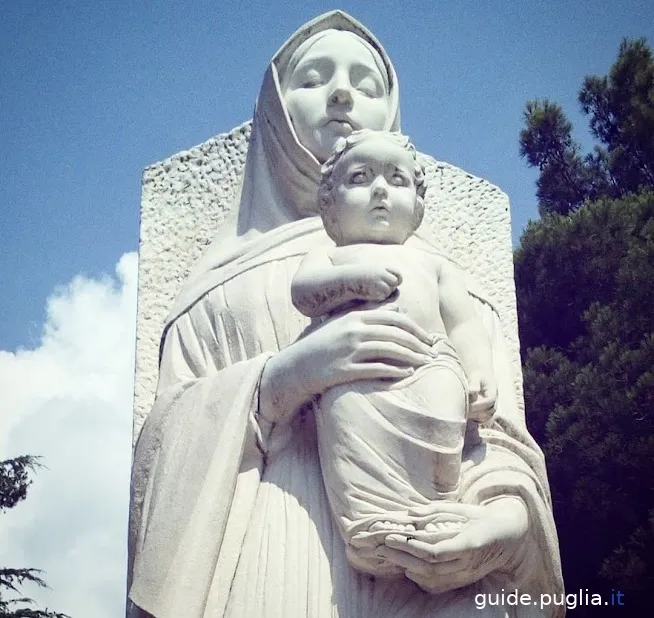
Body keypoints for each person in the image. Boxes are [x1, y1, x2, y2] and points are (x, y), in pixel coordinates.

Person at [128, 10, 564, 618]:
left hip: (435, 554)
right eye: (312, 78)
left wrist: (503, 524)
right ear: (275, 114)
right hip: (275, 552)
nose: (341, 94)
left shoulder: (444, 281)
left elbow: (494, 436)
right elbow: (161, 453)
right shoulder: (217, 289)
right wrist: (286, 377)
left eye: (366, 82)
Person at [291, 129, 497, 575]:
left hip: (428, 362)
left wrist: (480, 370)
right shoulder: (328, 256)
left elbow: (463, 323)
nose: (380, 189)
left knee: (445, 405)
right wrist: (353, 281)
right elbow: (303, 293)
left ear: (417, 206)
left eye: (397, 179)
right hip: (355, 377)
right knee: (345, 416)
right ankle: (372, 525)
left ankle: (437, 509)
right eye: (361, 178)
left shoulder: (434, 263)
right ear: (329, 205)